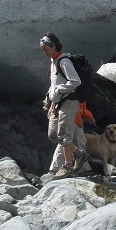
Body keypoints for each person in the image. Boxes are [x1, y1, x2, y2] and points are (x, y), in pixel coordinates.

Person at [40, 32, 89, 179]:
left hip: (69, 102)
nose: (44, 52)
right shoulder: (53, 62)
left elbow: (75, 81)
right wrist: (51, 103)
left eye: (45, 49)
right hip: (58, 103)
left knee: (65, 136)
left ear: (53, 46)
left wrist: (58, 91)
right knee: (53, 134)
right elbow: (55, 84)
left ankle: (67, 166)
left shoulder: (63, 61)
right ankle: (79, 154)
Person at [49, 102, 95, 175]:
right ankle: (81, 169)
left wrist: (88, 116)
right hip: (71, 117)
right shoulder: (74, 92)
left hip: (69, 115)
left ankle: (55, 169)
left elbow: (81, 106)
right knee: (68, 142)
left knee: (66, 142)